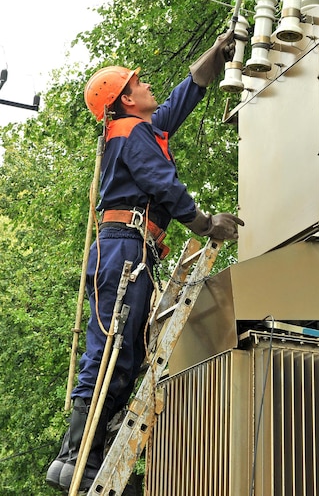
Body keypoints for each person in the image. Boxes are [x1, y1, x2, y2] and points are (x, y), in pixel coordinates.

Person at [46, 29, 244, 492]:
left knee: (127, 351)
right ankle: (77, 456)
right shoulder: (131, 131)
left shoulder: (141, 128)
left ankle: (84, 455)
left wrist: (215, 56)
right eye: (138, 84)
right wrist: (204, 222)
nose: (146, 84)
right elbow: (163, 186)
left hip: (130, 248)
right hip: (122, 248)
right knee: (113, 346)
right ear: (124, 100)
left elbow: (180, 97)